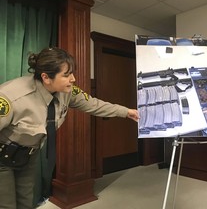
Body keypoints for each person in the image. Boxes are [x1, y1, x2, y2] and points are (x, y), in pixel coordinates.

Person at [0, 47, 139, 208]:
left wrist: (126, 112)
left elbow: (93, 104)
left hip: (28, 156)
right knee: (6, 205)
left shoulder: (66, 91)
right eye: (66, 75)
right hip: (2, 157)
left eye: (72, 73)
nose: (73, 79)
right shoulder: (11, 97)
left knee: (26, 202)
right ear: (46, 77)